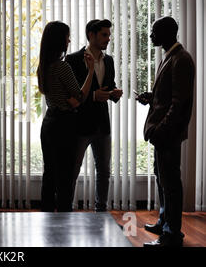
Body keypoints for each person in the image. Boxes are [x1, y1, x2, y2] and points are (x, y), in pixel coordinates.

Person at [137, 16, 194, 247]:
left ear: (168, 33)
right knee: (162, 180)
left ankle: (172, 235)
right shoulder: (169, 56)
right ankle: (164, 222)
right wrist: (151, 98)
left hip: (168, 134)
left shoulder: (181, 59)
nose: (150, 35)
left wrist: (161, 130)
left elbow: (179, 103)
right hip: (163, 134)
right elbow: (167, 97)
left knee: (170, 185)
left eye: (153, 31)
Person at [65, 19, 123, 212]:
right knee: (72, 171)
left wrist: (115, 93)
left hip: (102, 124)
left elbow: (109, 85)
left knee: (104, 171)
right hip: (80, 125)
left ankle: (101, 212)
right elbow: (71, 95)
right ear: (91, 35)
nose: (108, 38)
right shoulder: (72, 60)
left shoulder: (109, 60)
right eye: (104, 34)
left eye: (109, 35)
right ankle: (66, 211)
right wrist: (93, 96)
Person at [37, 21, 95, 212]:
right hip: (64, 124)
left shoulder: (43, 67)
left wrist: (72, 100)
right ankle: (63, 218)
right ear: (59, 40)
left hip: (49, 123)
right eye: (67, 36)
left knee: (50, 173)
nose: (69, 40)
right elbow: (79, 97)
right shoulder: (63, 67)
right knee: (65, 176)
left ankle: (46, 214)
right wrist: (91, 70)